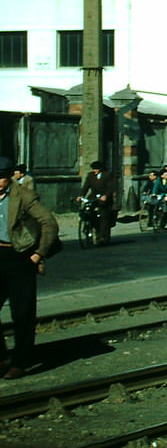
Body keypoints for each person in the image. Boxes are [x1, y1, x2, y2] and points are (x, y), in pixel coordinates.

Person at [0, 155, 60, 379]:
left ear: (9, 177)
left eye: (1, 178)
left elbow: (48, 222)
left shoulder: (23, 196)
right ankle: (1, 357)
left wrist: (38, 254)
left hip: (19, 258)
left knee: (22, 313)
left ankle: (20, 361)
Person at [79, 160, 115, 245]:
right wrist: (81, 195)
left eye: (96, 169)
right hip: (94, 196)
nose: (94, 171)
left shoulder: (107, 175)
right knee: (87, 210)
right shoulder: (90, 176)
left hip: (104, 198)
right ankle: (87, 226)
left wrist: (106, 195)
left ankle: (102, 235)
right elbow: (86, 187)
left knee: (103, 215)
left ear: (100, 169)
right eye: (93, 169)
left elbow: (111, 187)